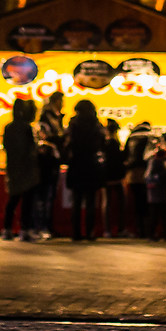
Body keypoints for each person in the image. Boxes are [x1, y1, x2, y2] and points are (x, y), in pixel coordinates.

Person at [67, 99, 108, 240]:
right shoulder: (96, 125)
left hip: (77, 165)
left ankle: (76, 233)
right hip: (91, 166)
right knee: (91, 201)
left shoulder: (73, 124)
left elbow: (69, 144)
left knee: (77, 201)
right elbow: (102, 144)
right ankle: (90, 232)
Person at [2, 96, 41, 241]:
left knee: (13, 200)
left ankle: (7, 229)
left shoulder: (9, 127)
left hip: (13, 167)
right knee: (27, 201)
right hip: (26, 169)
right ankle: (25, 229)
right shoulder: (26, 128)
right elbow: (30, 149)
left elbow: (7, 147)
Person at [125, 119, 166, 240]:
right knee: (149, 204)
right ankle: (150, 231)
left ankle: (139, 230)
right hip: (146, 173)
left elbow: (125, 155)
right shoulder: (151, 136)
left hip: (132, 175)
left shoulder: (131, 136)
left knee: (137, 204)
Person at [34, 89, 67, 239]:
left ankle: (44, 226)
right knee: (45, 195)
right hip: (46, 162)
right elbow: (48, 139)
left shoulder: (55, 118)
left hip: (51, 162)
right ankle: (42, 227)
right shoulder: (47, 118)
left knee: (48, 195)